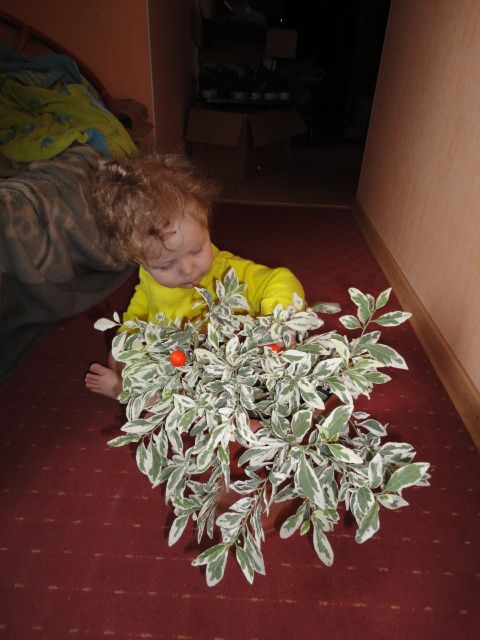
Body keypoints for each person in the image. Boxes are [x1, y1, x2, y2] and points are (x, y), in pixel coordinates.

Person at [85, 154, 304, 399]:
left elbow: (280, 280)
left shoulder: (229, 272)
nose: (188, 270)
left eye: (197, 250)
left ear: (206, 227)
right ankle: (132, 390)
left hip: (223, 367)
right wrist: (127, 337)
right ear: (141, 262)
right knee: (117, 357)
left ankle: (124, 392)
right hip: (171, 360)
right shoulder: (149, 277)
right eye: (166, 266)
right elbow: (139, 310)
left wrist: (277, 322)